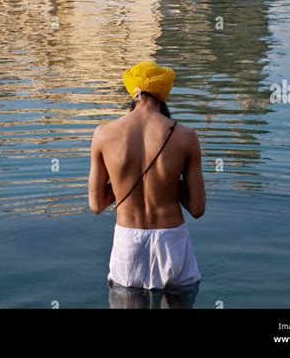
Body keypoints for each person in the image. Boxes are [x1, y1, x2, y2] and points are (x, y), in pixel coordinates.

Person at [88, 60, 205, 309]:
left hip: (127, 243)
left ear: (133, 92)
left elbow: (97, 204)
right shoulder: (186, 136)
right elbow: (197, 208)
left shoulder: (104, 134)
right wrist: (169, 181)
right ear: (164, 93)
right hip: (172, 240)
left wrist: (123, 180)